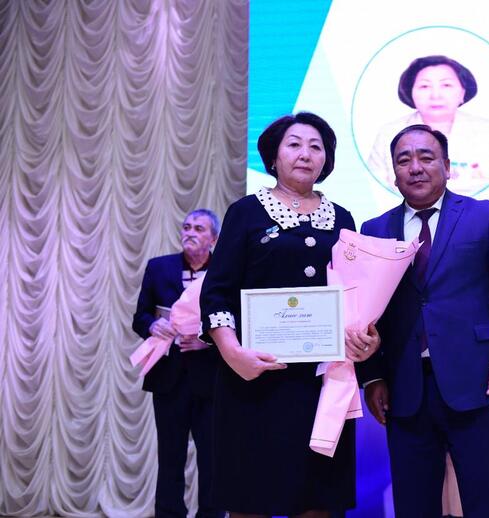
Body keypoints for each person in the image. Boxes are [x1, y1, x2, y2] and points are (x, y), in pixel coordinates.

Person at [199, 112, 380, 518]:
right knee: (251, 500)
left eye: (316, 147)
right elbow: (216, 293)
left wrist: (365, 336)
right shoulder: (246, 212)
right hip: (253, 378)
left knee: (317, 502)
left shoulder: (342, 218)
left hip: (322, 383)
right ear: (273, 157)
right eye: (294, 144)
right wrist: (233, 353)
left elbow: (355, 296)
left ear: (326, 160)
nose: (305, 154)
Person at [360, 124, 489, 517]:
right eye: (404, 160)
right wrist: (371, 376)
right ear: (393, 172)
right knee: (414, 505)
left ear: (447, 166)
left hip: (477, 383)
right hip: (404, 389)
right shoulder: (375, 230)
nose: (415, 167)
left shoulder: (484, 216)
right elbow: (365, 311)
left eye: (426, 157)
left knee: (487, 502)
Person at [132, 209, 224, 518]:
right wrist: (152, 325)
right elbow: (140, 316)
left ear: (213, 239)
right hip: (168, 378)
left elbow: (237, 321)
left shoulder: (224, 271)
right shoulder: (159, 268)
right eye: (186, 227)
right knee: (170, 456)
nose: (190, 232)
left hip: (211, 380)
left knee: (212, 458)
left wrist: (207, 341)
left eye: (199, 228)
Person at [367, 55, 489, 196]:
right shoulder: (389, 134)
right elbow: (375, 192)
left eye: (446, 85)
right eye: (424, 86)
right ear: (410, 92)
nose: (435, 95)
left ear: (463, 92)